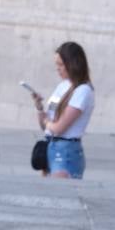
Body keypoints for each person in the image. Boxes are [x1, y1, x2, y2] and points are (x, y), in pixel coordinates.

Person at [29, 41, 94, 179]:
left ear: (73, 64)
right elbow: (46, 126)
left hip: (66, 152)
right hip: (51, 147)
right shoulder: (63, 86)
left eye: (61, 65)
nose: (58, 69)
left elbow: (59, 128)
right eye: (56, 65)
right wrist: (40, 108)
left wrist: (48, 123)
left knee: (56, 196)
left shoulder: (83, 91)